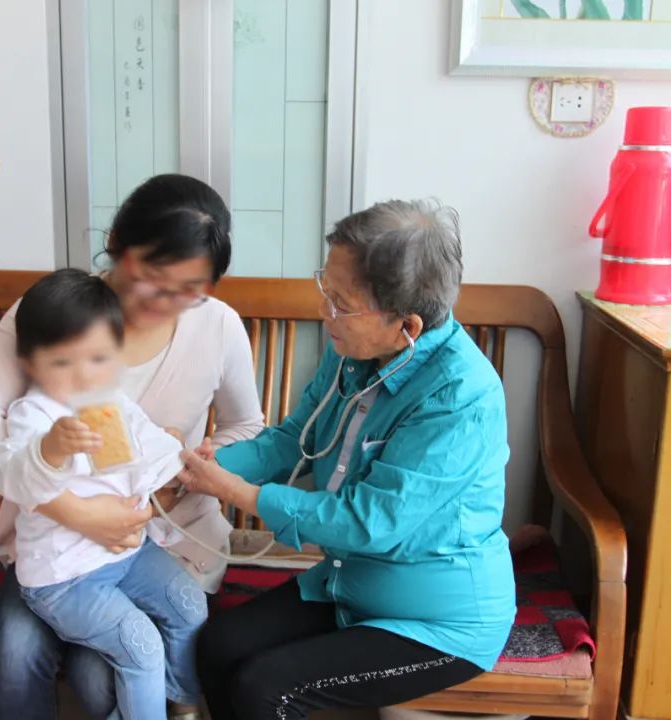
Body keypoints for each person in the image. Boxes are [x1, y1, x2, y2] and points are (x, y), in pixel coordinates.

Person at [0, 174, 264, 720]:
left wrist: (184, 474)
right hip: (58, 544)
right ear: (116, 243)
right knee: (15, 655)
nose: (165, 302)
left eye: (189, 289)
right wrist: (78, 512)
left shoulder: (218, 326)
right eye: (152, 278)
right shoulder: (55, 313)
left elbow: (246, 427)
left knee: (102, 676)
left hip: (169, 538)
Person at [178, 199, 516, 719]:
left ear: (408, 325)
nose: (324, 312)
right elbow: (295, 440)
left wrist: (236, 492)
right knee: (219, 646)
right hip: (348, 583)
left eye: (341, 303)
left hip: (436, 620)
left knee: (264, 688)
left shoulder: (460, 397)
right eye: (326, 290)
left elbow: (369, 523)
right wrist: (214, 462)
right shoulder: (354, 353)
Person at [0, 269, 200, 719]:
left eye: (98, 359)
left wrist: (185, 463)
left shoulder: (113, 403)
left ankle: (184, 705)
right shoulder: (34, 415)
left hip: (126, 555)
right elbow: (12, 475)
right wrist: (50, 450)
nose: (84, 376)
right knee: (140, 645)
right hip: (65, 577)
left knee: (189, 605)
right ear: (30, 363)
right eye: (63, 363)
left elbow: (154, 447)